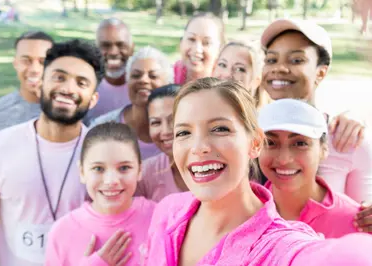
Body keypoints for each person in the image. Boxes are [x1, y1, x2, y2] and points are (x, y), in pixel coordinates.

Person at [143, 77, 372, 265]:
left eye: (220, 129)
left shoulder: (280, 247)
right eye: (183, 133)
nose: (199, 147)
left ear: (254, 144)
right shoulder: (167, 211)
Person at [0, 39, 103, 266]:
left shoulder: (104, 155)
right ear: (40, 84)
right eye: (59, 77)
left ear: (93, 100)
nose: (67, 88)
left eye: (81, 83)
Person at [260, 19, 372, 203]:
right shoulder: (249, 132)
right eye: (271, 60)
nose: (279, 68)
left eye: (297, 60)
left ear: (320, 72)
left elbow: (363, 217)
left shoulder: (348, 139)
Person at [45, 122, 155, 266]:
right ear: (82, 172)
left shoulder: (159, 218)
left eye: (124, 168)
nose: (111, 181)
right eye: (98, 168)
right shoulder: (62, 232)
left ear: (139, 170)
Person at [258, 99, 362, 238]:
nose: (284, 159)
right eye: (270, 142)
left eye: (300, 143)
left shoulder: (358, 222)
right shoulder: (239, 213)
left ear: (323, 149)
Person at [91, 46, 173, 160]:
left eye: (153, 76)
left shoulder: (180, 131)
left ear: (168, 83)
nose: (143, 80)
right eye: (136, 75)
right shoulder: (101, 128)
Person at [0, 31, 54, 138]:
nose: (34, 69)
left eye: (43, 61)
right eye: (26, 60)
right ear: (15, 63)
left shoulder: (74, 111)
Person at [135, 84, 188, 202]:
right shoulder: (145, 174)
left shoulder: (214, 165)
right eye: (156, 122)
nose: (166, 131)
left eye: (173, 119)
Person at [85, 18, 135, 123]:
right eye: (105, 45)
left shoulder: (144, 85)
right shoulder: (84, 84)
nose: (113, 52)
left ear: (132, 48)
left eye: (121, 45)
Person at [212, 41, 271, 110]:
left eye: (239, 69)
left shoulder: (262, 119)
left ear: (256, 81)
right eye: (222, 65)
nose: (227, 74)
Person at [174, 12, 225, 85]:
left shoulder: (224, 88)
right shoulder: (165, 77)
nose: (197, 49)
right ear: (181, 42)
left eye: (207, 42)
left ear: (220, 49)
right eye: (191, 39)